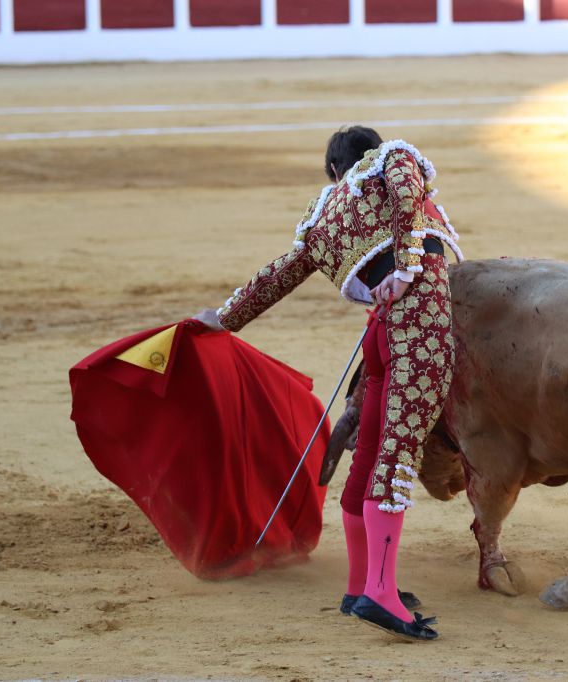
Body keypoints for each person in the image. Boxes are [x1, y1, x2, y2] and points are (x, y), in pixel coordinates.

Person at [195, 126, 463, 640]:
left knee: (369, 451)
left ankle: (363, 584)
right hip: (419, 322)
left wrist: (225, 317)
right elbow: (408, 191)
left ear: (334, 171)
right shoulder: (392, 161)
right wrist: (407, 267)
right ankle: (381, 595)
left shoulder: (320, 221)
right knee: (397, 453)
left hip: (381, 334)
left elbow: (278, 275)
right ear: (368, 154)